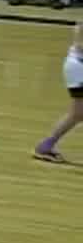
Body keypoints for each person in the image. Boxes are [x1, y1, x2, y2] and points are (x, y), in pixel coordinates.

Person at [31, 20, 83, 163]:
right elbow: (80, 37)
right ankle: (45, 147)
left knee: (78, 113)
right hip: (79, 68)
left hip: (77, 65)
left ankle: (45, 147)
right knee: (78, 113)